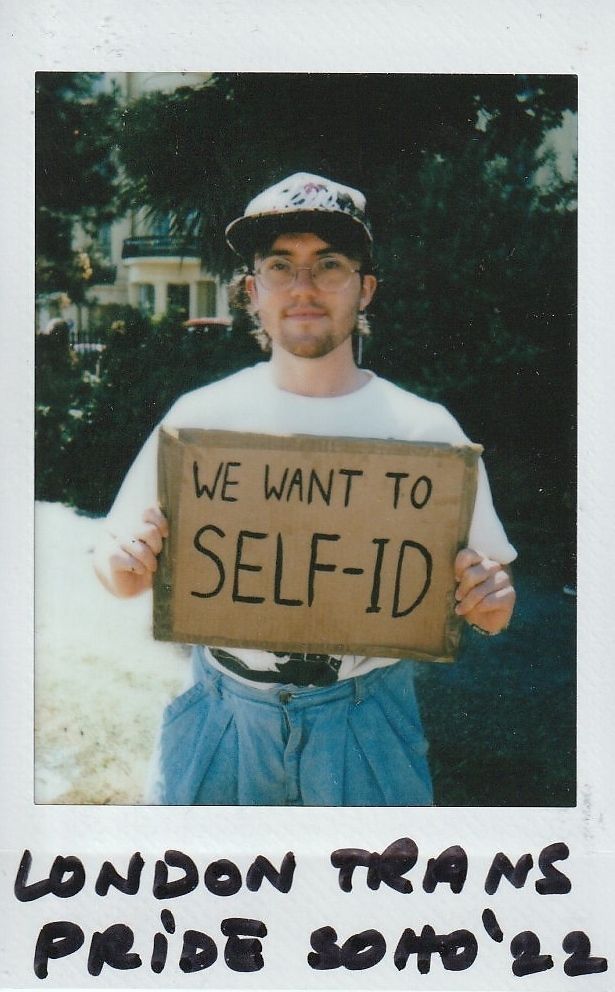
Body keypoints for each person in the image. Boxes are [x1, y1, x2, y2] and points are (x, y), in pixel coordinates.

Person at [94, 172, 516, 806]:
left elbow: (493, 606)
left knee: (368, 906)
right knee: (200, 904)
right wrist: (123, 560)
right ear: (251, 292)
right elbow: (119, 571)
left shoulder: (425, 433)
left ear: (365, 288)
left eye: (330, 265)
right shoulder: (200, 419)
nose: (304, 288)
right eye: (280, 267)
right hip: (220, 719)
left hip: (365, 724)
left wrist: (488, 598)